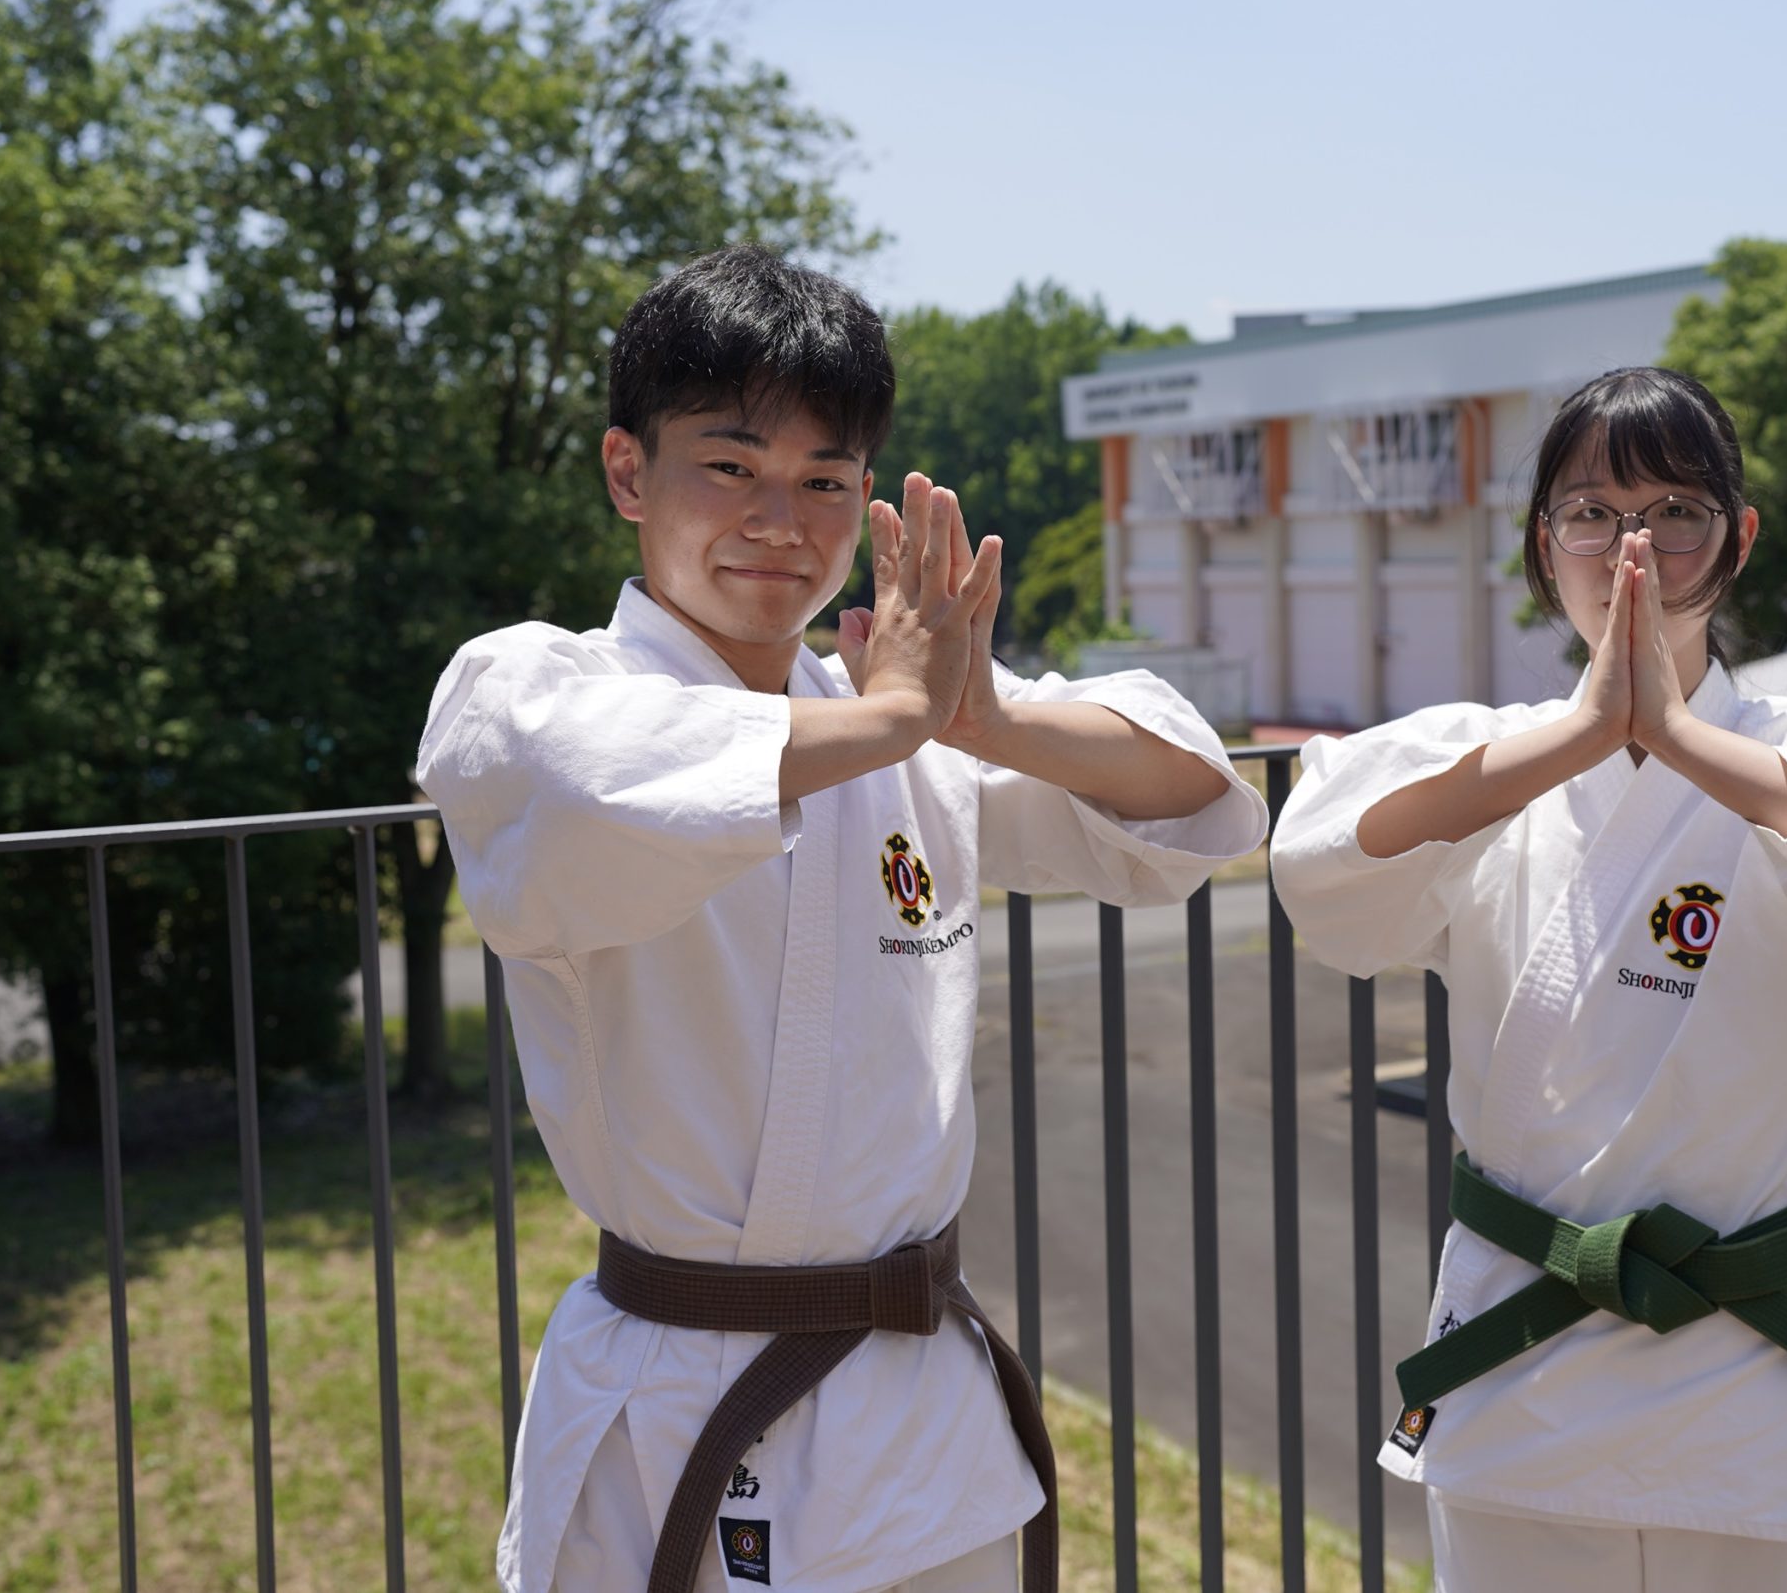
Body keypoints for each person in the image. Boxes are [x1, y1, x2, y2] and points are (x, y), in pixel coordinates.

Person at [417, 245, 1269, 1593]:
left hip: (917, 1417)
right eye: (732, 465)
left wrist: (976, 716)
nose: (781, 516)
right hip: (677, 1397)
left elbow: (1189, 791)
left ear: (868, 493)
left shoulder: (905, 719)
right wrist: (891, 718)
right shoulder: (536, 687)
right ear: (628, 472)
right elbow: (590, 779)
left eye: (825, 478)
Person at [1269, 367, 1787, 1592]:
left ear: (1738, 538)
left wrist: (1677, 740)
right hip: (1524, 1366)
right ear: (1541, 542)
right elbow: (1324, 869)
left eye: (1678, 509)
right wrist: (1575, 741)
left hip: (1763, 1372)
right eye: (1593, 510)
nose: (1634, 544)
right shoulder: (1484, 765)